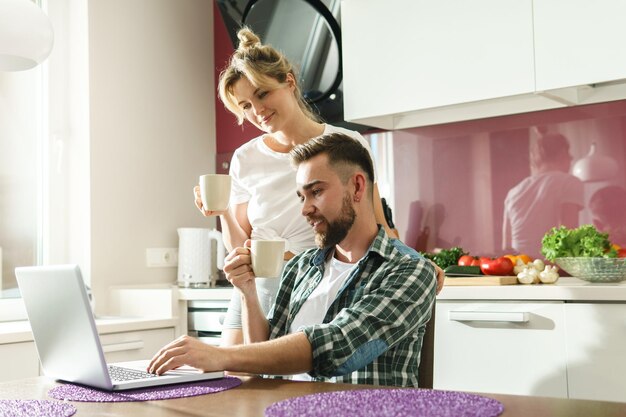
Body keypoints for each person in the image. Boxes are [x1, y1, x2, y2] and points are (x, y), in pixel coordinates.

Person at [193, 27, 443, 346]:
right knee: (234, 382)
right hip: (256, 291)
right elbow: (240, 246)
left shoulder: (344, 145)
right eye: (244, 105)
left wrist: (415, 262)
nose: (257, 111)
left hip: (315, 288)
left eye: (262, 94)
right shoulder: (246, 158)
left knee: (301, 383)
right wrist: (223, 211)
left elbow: (378, 224)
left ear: (288, 81)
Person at [150, 133, 437, 387]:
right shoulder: (302, 266)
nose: (305, 209)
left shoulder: (410, 270)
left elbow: (337, 346)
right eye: (301, 197)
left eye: (316, 192)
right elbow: (263, 353)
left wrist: (221, 355)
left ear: (358, 187)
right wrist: (248, 291)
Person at [502, 132, 584, 259]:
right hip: (551, 266)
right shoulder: (569, 182)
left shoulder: (513, 192)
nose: (571, 159)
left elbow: (506, 247)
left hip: (519, 266)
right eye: (569, 155)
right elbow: (569, 235)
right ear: (563, 154)